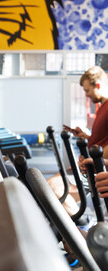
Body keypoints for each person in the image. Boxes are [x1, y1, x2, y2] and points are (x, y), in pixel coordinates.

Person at [47, 65, 108, 216]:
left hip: (98, 170)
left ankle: (84, 230)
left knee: (52, 190)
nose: (86, 95)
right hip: (91, 166)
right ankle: (81, 228)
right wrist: (86, 137)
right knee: (46, 187)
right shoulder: (102, 108)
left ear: (98, 85)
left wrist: (97, 161)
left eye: (87, 90)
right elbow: (102, 140)